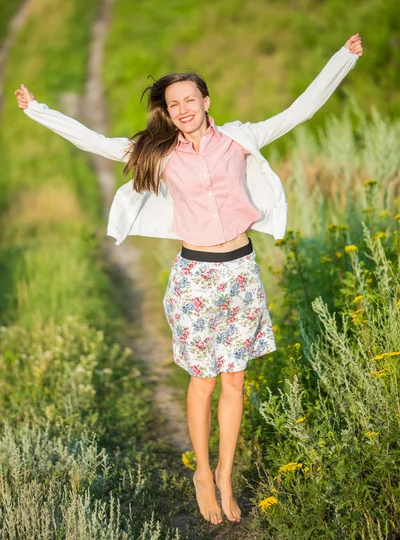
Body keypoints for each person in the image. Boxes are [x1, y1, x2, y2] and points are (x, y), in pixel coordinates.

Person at [14, 33, 363, 525]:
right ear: (168, 111)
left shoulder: (240, 138)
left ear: (205, 102)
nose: (182, 109)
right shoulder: (158, 151)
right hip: (196, 277)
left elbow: (298, 111)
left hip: (241, 271)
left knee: (236, 381)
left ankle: (225, 474)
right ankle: (201, 471)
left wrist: (340, 61)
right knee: (203, 380)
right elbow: (99, 143)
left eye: (188, 100)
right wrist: (39, 111)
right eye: (173, 103)